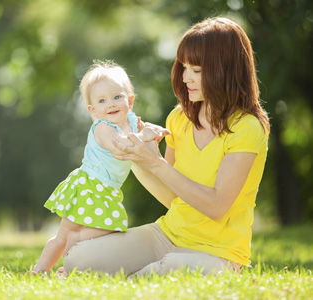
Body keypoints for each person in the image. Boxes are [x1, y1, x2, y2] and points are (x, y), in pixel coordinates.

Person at [62, 17, 270, 277]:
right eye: (183, 67)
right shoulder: (179, 118)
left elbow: (216, 207)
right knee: (76, 260)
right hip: (166, 235)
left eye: (196, 70)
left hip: (216, 253)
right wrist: (137, 155)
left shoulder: (247, 127)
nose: (185, 78)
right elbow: (172, 199)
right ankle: (140, 273)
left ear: (225, 69)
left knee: (165, 270)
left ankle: (140, 275)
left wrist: (155, 162)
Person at [32, 60, 169, 274]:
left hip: (107, 189)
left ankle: (73, 245)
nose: (111, 104)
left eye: (117, 97)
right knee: (63, 236)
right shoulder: (103, 128)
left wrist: (154, 130)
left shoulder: (131, 121)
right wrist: (143, 136)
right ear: (93, 110)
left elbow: (143, 129)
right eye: (102, 101)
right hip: (89, 183)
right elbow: (120, 146)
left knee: (110, 227)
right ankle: (40, 269)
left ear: (130, 100)